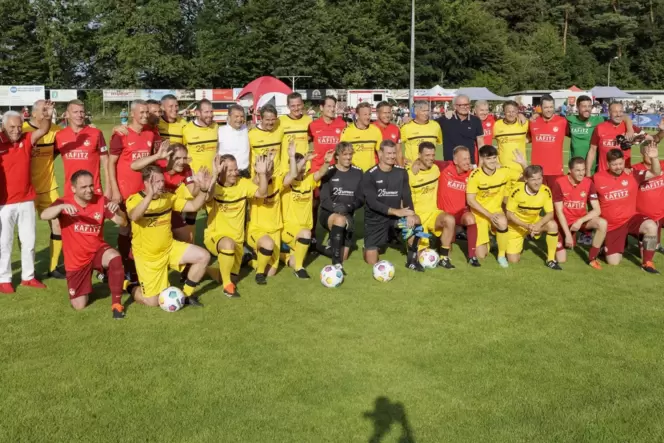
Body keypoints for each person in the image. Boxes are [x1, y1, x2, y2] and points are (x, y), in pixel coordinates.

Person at [40, 170, 128, 318]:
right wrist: (60, 208)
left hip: (96, 250)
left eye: (91, 186)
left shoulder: (101, 201)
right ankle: (102, 276)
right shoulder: (64, 202)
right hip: (76, 261)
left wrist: (118, 211)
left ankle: (117, 305)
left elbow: (123, 222)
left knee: (114, 257)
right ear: (73, 188)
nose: (89, 190)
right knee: (79, 305)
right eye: (84, 187)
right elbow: (44, 215)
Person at [125, 165, 213, 307]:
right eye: (157, 182)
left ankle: (186, 295)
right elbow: (134, 216)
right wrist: (149, 196)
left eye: (162, 181)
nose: (161, 185)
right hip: (148, 258)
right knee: (153, 302)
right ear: (146, 183)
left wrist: (203, 189)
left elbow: (193, 206)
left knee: (203, 256)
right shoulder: (133, 200)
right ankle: (128, 285)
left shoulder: (168, 198)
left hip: (170, 248)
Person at [0, 104, 55, 293]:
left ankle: (28, 277)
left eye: (18, 126)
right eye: (11, 127)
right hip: (4, 203)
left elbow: (44, 129)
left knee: (29, 241)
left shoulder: (27, 138)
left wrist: (47, 115)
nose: (16, 131)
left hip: (26, 200)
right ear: (3, 127)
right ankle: (4, 279)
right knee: (4, 243)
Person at [204, 154, 269, 297]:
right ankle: (227, 288)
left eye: (236, 169)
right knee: (228, 244)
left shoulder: (243, 184)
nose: (235, 173)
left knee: (228, 277)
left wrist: (263, 174)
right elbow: (207, 198)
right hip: (216, 237)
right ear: (221, 171)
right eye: (230, 170)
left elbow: (262, 193)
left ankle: (207, 270)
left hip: (238, 241)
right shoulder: (214, 187)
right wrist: (214, 176)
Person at [109, 100, 160, 280]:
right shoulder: (121, 134)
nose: (145, 115)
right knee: (125, 228)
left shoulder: (151, 133)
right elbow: (110, 163)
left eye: (147, 112)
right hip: (124, 190)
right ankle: (126, 266)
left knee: (140, 229)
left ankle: (138, 265)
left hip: (143, 191)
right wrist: (114, 191)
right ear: (132, 114)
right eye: (142, 112)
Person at [593, 147, 661, 272]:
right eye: (614, 164)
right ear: (608, 164)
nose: (618, 167)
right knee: (613, 262)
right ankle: (606, 246)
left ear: (624, 162)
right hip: (613, 225)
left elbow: (656, 172)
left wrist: (654, 157)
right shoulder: (597, 178)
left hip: (631, 219)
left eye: (620, 163)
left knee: (651, 226)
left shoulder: (633, 174)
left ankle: (647, 262)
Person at [363, 140, 423, 271]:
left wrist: (410, 213)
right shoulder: (369, 175)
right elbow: (372, 203)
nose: (391, 156)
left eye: (394, 153)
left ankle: (412, 260)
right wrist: (395, 211)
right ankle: (371, 245)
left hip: (395, 220)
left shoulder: (401, 173)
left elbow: (407, 196)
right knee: (371, 260)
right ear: (380, 154)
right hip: (376, 220)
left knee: (416, 221)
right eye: (388, 153)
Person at [22, 100, 65, 279]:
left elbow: (61, 149)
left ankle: (53, 267)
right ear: (33, 114)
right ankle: (28, 270)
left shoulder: (56, 130)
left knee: (58, 225)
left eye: (49, 109)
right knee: (26, 232)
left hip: (49, 187)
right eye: (43, 110)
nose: (47, 112)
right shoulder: (22, 130)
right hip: (26, 190)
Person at [466, 145, 526, 268]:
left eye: (494, 158)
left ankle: (501, 255)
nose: (493, 161)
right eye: (489, 159)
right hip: (480, 215)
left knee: (502, 221)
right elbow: (471, 201)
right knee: (481, 255)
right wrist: (489, 215)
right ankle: (493, 241)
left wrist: (524, 164)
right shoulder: (475, 175)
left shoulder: (504, 171)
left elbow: (527, 177)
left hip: (497, 211)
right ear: (482, 159)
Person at [281, 144, 334, 278]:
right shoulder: (286, 182)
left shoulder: (308, 180)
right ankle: (299, 269)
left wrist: (327, 162)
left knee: (293, 260)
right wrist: (301, 160)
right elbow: (292, 175)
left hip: (305, 228)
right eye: (300, 165)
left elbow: (320, 173)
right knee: (305, 234)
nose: (303, 169)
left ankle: (283, 256)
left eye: (305, 166)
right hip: (289, 228)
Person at [131, 141, 198, 242]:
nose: (182, 162)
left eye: (184, 158)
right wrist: (157, 156)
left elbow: (193, 192)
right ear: (168, 157)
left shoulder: (186, 168)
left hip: (167, 206)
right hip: (147, 206)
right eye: (178, 158)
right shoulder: (158, 165)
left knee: (187, 237)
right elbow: (134, 166)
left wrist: (200, 185)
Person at [408, 142, 457, 268]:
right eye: (427, 155)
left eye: (433, 155)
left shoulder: (435, 168)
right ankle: (414, 243)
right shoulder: (409, 174)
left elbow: (451, 163)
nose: (431, 158)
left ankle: (444, 258)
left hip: (433, 214)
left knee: (450, 220)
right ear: (419, 155)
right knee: (422, 258)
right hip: (417, 217)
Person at [551, 157, 607, 268]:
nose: (581, 173)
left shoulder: (588, 182)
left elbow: (597, 210)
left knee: (602, 223)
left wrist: (580, 221)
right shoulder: (559, 183)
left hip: (579, 221)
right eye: (578, 170)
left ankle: (592, 258)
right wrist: (567, 235)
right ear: (570, 170)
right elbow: (559, 212)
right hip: (563, 223)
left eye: (583, 170)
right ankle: (567, 237)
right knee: (561, 260)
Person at [318, 142, 364, 271]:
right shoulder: (329, 172)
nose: (348, 157)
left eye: (350, 154)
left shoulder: (358, 172)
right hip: (329, 213)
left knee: (343, 255)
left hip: (348, 213)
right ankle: (336, 264)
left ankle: (319, 247)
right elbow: (324, 199)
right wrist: (336, 209)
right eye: (345, 154)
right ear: (337, 156)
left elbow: (361, 198)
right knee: (339, 219)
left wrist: (349, 207)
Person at [504, 165, 561, 270]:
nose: (537, 182)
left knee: (552, 225)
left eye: (539, 178)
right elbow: (509, 214)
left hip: (534, 223)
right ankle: (518, 241)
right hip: (517, 226)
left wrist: (538, 225)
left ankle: (551, 260)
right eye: (533, 179)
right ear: (526, 179)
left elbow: (550, 214)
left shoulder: (546, 191)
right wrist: (527, 226)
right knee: (513, 260)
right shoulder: (516, 191)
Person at [433, 146, 479, 266]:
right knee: (447, 252)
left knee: (470, 218)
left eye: (468, 158)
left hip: (460, 213)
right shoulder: (444, 167)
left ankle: (472, 257)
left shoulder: (471, 174)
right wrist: (416, 163)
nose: (467, 162)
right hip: (446, 215)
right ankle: (441, 244)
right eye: (464, 159)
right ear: (455, 160)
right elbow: (428, 160)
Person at [54, 100, 111, 199]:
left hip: (93, 190)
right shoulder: (59, 135)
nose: (79, 115)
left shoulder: (96, 133)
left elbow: (106, 162)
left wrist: (109, 188)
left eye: (82, 112)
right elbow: (47, 159)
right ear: (67, 114)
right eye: (75, 112)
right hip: (71, 191)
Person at [246, 152, 287, 285]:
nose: (268, 169)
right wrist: (261, 173)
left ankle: (249, 259)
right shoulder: (251, 183)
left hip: (275, 231)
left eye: (270, 166)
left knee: (272, 272)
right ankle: (259, 274)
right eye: (265, 166)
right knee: (267, 245)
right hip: (257, 230)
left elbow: (291, 176)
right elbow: (258, 184)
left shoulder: (277, 181)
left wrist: (291, 157)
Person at [586, 102, 648, 175]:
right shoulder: (599, 127)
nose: (618, 114)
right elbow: (592, 150)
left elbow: (652, 139)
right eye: (615, 112)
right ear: (609, 113)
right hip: (603, 174)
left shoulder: (630, 128)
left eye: (620, 111)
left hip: (624, 174)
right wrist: (588, 172)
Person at [528, 94, 568, 188]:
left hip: (556, 171)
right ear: (540, 107)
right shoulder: (533, 122)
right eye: (546, 107)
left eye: (551, 107)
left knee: (556, 201)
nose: (549, 110)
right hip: (537, 171)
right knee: (537, 200)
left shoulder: (562, 122)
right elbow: (525, 138)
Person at [632, 143, 664, 251]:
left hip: (661, 213)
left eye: (652, 151)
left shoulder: (663, 165)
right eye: (647, 152)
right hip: (644, 216)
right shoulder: (635, 170)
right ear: (641, 153)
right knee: (649, 249)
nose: (650, 155)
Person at [436, 94, 484, 164]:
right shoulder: (445, 119)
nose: (465, 107)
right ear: (455, 106)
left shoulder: (476, 120)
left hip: (468, 165)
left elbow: (480, 144)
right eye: (461, 105)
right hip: (450, 165)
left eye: (467, 104)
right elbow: (427, 124)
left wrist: (481, 164)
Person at [340, 102, 383, 171]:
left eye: (369, 114)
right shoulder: (348, 131)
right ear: (357, 115)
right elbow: (342, 154)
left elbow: (381, 154)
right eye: (365, 114)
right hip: (353, 173)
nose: (368, 117)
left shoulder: (376, 130)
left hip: (371, 174)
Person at [279, 92, 312, 174]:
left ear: (303, 104)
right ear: (288, 106)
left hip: (305, 166)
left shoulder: (308, 120)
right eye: (293, 106)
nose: (296, 108)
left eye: (298, 105)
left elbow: (311, 138)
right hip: (287, 167)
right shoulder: (280, 121)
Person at [182, 98, 218, 174]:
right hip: (195, 176)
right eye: (206, 112)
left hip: (214, 176)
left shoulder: (216, 126)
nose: (210, 115)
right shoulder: (186, 129)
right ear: (197, 113)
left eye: (211, 112)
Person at [248, 104, 284, 176]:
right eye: (267, 120)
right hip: (258, 178)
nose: (270, 123)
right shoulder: (251, 134)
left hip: (276, 177)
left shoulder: (280, 130)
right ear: (261, 118)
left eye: (273, 119)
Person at [493, 101, 529, 172]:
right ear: (504, 112)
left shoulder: (524, 123)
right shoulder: (496, 125)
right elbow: (487, 140)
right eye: (508, 112)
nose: (511, 114)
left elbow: (535, 135)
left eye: (513, 111)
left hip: (521, 169)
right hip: (502, 169)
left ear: (517, 112)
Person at [217, 104, 250, 177]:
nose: (239, 119)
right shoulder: (220, 131)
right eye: (236, 116)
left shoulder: (247, 129)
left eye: (241, 116)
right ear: (229, 117)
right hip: (226, 174)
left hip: (244, 173)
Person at [373, 101, 402, 165]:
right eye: (384, 113)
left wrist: (401, 170)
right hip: (375, 168)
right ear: (377, 114)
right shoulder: (371, 128)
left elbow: (398, 152)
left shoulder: (395, 129)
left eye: (389, 113)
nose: (387, 115)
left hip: (392, 169)